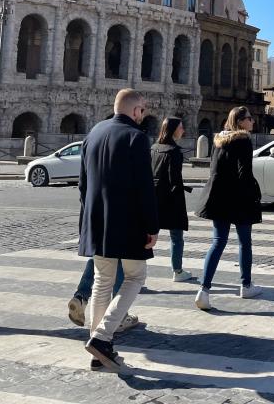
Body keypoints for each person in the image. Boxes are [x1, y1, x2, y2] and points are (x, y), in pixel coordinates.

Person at [78, 88, 158, 373]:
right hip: (127, 221)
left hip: (96, 220)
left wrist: (91, 213)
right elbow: (145, 188)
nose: (143, 114)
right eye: (143, 109)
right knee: (135, 277)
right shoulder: (136, 137)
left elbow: (83, 185)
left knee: (102, 280)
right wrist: (151, 226)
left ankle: (96, 347)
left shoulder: (94, 133)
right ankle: (102, 338)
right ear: (135, 111)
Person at [194, 106, 262, 310]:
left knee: (217, 242)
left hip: (219, 197)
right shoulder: (243, 140)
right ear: (240, 122)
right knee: (244, 243)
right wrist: (254, 194)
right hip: (239, 198)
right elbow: (245, 172)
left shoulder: (219, 140)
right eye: (249, 119)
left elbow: (213, 170)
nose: (252, 122)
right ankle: (246, 285)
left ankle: (203, 290)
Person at [151, 116, 193, 282]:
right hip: (170, 199)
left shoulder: (154, 148)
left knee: (147, 236)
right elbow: (174, 179)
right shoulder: (174, 151)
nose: (183, 130)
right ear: (174, 129)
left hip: (153, 197)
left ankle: (135, 273)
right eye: (181, 127)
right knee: (176, 237)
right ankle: (177, 271)